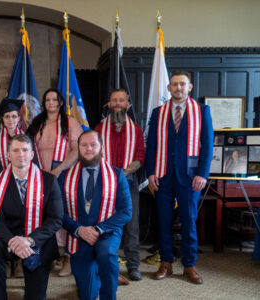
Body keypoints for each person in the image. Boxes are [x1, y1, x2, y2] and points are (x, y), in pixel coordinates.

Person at [146, 70, 213, 284]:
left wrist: (202, 174)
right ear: (168, 88)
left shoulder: (202, 111)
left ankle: (189, 265)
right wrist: (150, 172)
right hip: (163, 176)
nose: (178, 88)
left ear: (190, 87)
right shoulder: (158, 113)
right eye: (174, 84)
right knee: (163, 222)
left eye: (182, 84)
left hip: (190, 177)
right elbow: (151, 146)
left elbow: (208, 146)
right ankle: (166, 263)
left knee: (189, 222)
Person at [0, 134, 63, 300]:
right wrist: (13, 241)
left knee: (35, 297)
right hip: (8, 239)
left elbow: (56, 219)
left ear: (32, 154)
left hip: (38, 241)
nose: (21, 154)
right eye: (16, 150)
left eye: (25, 150)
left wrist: (30, 240)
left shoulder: (48, 181)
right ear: (8, 155)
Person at [60, 130, 132, 300]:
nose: (89, 149)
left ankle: (109, 290)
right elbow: (59, 213)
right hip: (79, 235)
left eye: (93, 145)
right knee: (87, 294)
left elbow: (126, 211)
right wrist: (79, 230)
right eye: (84, 145)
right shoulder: (65, 177)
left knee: (105, 254)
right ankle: (98, 274)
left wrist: (99, 229)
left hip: (107, 232)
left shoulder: (116, 175)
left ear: (101, 148)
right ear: (78, 148)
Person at [26, 88, 83, 276]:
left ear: (60, 102)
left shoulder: (70, 122)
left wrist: (59, 169)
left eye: (54, 99)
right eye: (47, 99)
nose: (51, 103)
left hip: (64, 174)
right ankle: (48, 256)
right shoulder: (37, 123)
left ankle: (68, 258)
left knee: (64, 213)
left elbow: (77, 149)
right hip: (40, 175)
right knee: (42, 216)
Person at [94, 89, 145, 281]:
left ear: (127, 105)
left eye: (121, 100)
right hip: (103, 183)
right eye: (114, 100)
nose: (117, 103)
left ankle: (133, 266)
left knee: (131, 225)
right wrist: (110, 174)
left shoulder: (136, 130)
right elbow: (93, 155)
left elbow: (140, 157)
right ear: (109, 104)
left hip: (128, 183)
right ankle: (106, 263)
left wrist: (123, 173)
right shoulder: (99, 129)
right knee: (104, 223)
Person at [0, 98, 25, 188]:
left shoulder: (27, 138)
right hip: (2, 183)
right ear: (3, 119)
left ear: (18, 118)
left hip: (23, 182)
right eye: (7, 116)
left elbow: (33, 162)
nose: (10, 119)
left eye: (14, 116)